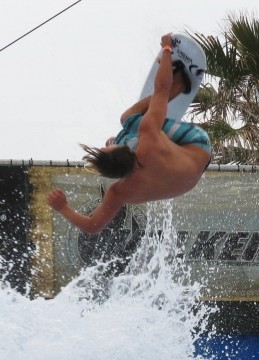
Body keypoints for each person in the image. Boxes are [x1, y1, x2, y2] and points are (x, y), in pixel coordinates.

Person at [47, 33, 211, 234]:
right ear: (120, 151)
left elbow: (92, 227)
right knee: (128, 119)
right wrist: (167, 50)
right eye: (108, 149)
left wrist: (63, 207)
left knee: (125, 136)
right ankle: (180, 85)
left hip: (190, 180)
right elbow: (161, 88)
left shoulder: (119, 192)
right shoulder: (149, 135)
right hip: (198, 144)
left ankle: (129, 141)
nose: (107, 145)